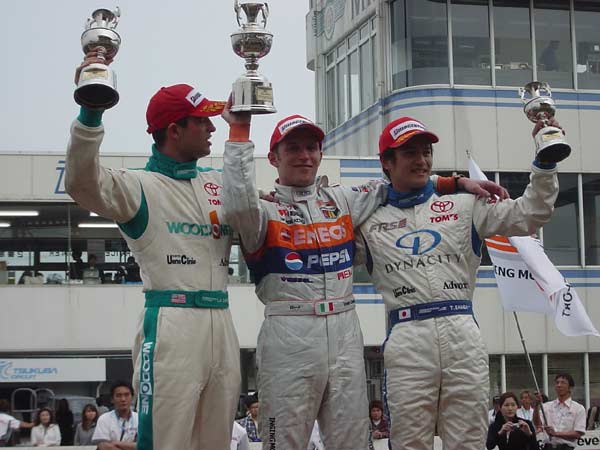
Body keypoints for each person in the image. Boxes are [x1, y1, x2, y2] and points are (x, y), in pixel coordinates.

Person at [221, 107, 502, 449]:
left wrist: (453, 182)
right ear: (273, 158)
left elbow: (401, 182)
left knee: (352, 441)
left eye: (311, 147)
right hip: (289, 331)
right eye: (293, 148)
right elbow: (237, 202)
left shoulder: (343, 199)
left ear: (320, 154)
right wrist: (239, 132)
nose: (304, 155)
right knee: (283, 441)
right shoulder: (261, 210)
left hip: (345, 330)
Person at [67, 51, 241, 449]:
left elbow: (255, 211)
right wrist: (91, 110)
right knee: (165, 439)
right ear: (174, 130)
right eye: (201, 120)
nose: (212, 127)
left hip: (222, 319)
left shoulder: (216, 182)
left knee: (217, 441)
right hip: (171, 322)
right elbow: (81, 182)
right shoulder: (138, 186)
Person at [356, 115, 561, 450]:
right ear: (386, 162)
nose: (421, 160)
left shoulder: (466, 203)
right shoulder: (367, 217)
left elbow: (532, 213)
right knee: (409, 442)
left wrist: (545, 163)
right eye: (410, 153)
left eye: (426, 152)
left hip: (461, 332)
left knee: (469, 440)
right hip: (407, 335)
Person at [534, 373, 586, 450]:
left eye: (563, 383)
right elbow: (537, 424)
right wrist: (536, 405)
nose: (559, 385)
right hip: (548, 447)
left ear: (570, 388)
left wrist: (556, 434)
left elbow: (578, 433)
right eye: (557, 382)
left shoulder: (578, 408)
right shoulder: (547, 406)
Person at [91, 380, 138, 450]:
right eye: (118, 395)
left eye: (126, 395)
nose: (123, 399)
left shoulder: (139, 419)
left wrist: (117, 443)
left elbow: (142, 445)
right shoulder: (104, 419)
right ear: (112, 399)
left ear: (132, 397)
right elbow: (103, 446)